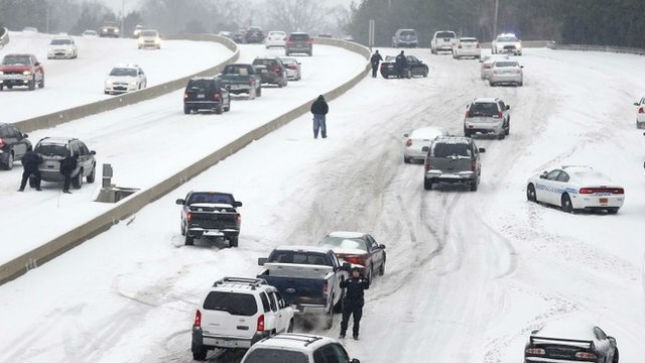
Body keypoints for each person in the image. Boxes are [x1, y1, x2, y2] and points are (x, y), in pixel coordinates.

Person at [339, 266, 370, 340]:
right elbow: (342, 285)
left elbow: (366, 286)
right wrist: (342, 279)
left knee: (357, 320)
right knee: (345, 320)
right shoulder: (349, 280)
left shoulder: (362, 281)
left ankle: (355, 334)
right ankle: (342, 333)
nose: (355, 274)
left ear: (359, 273)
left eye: (357, 272)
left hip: (358, 303)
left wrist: (366, 279)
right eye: (354, 272)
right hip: (348, 303)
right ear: (352, 273)